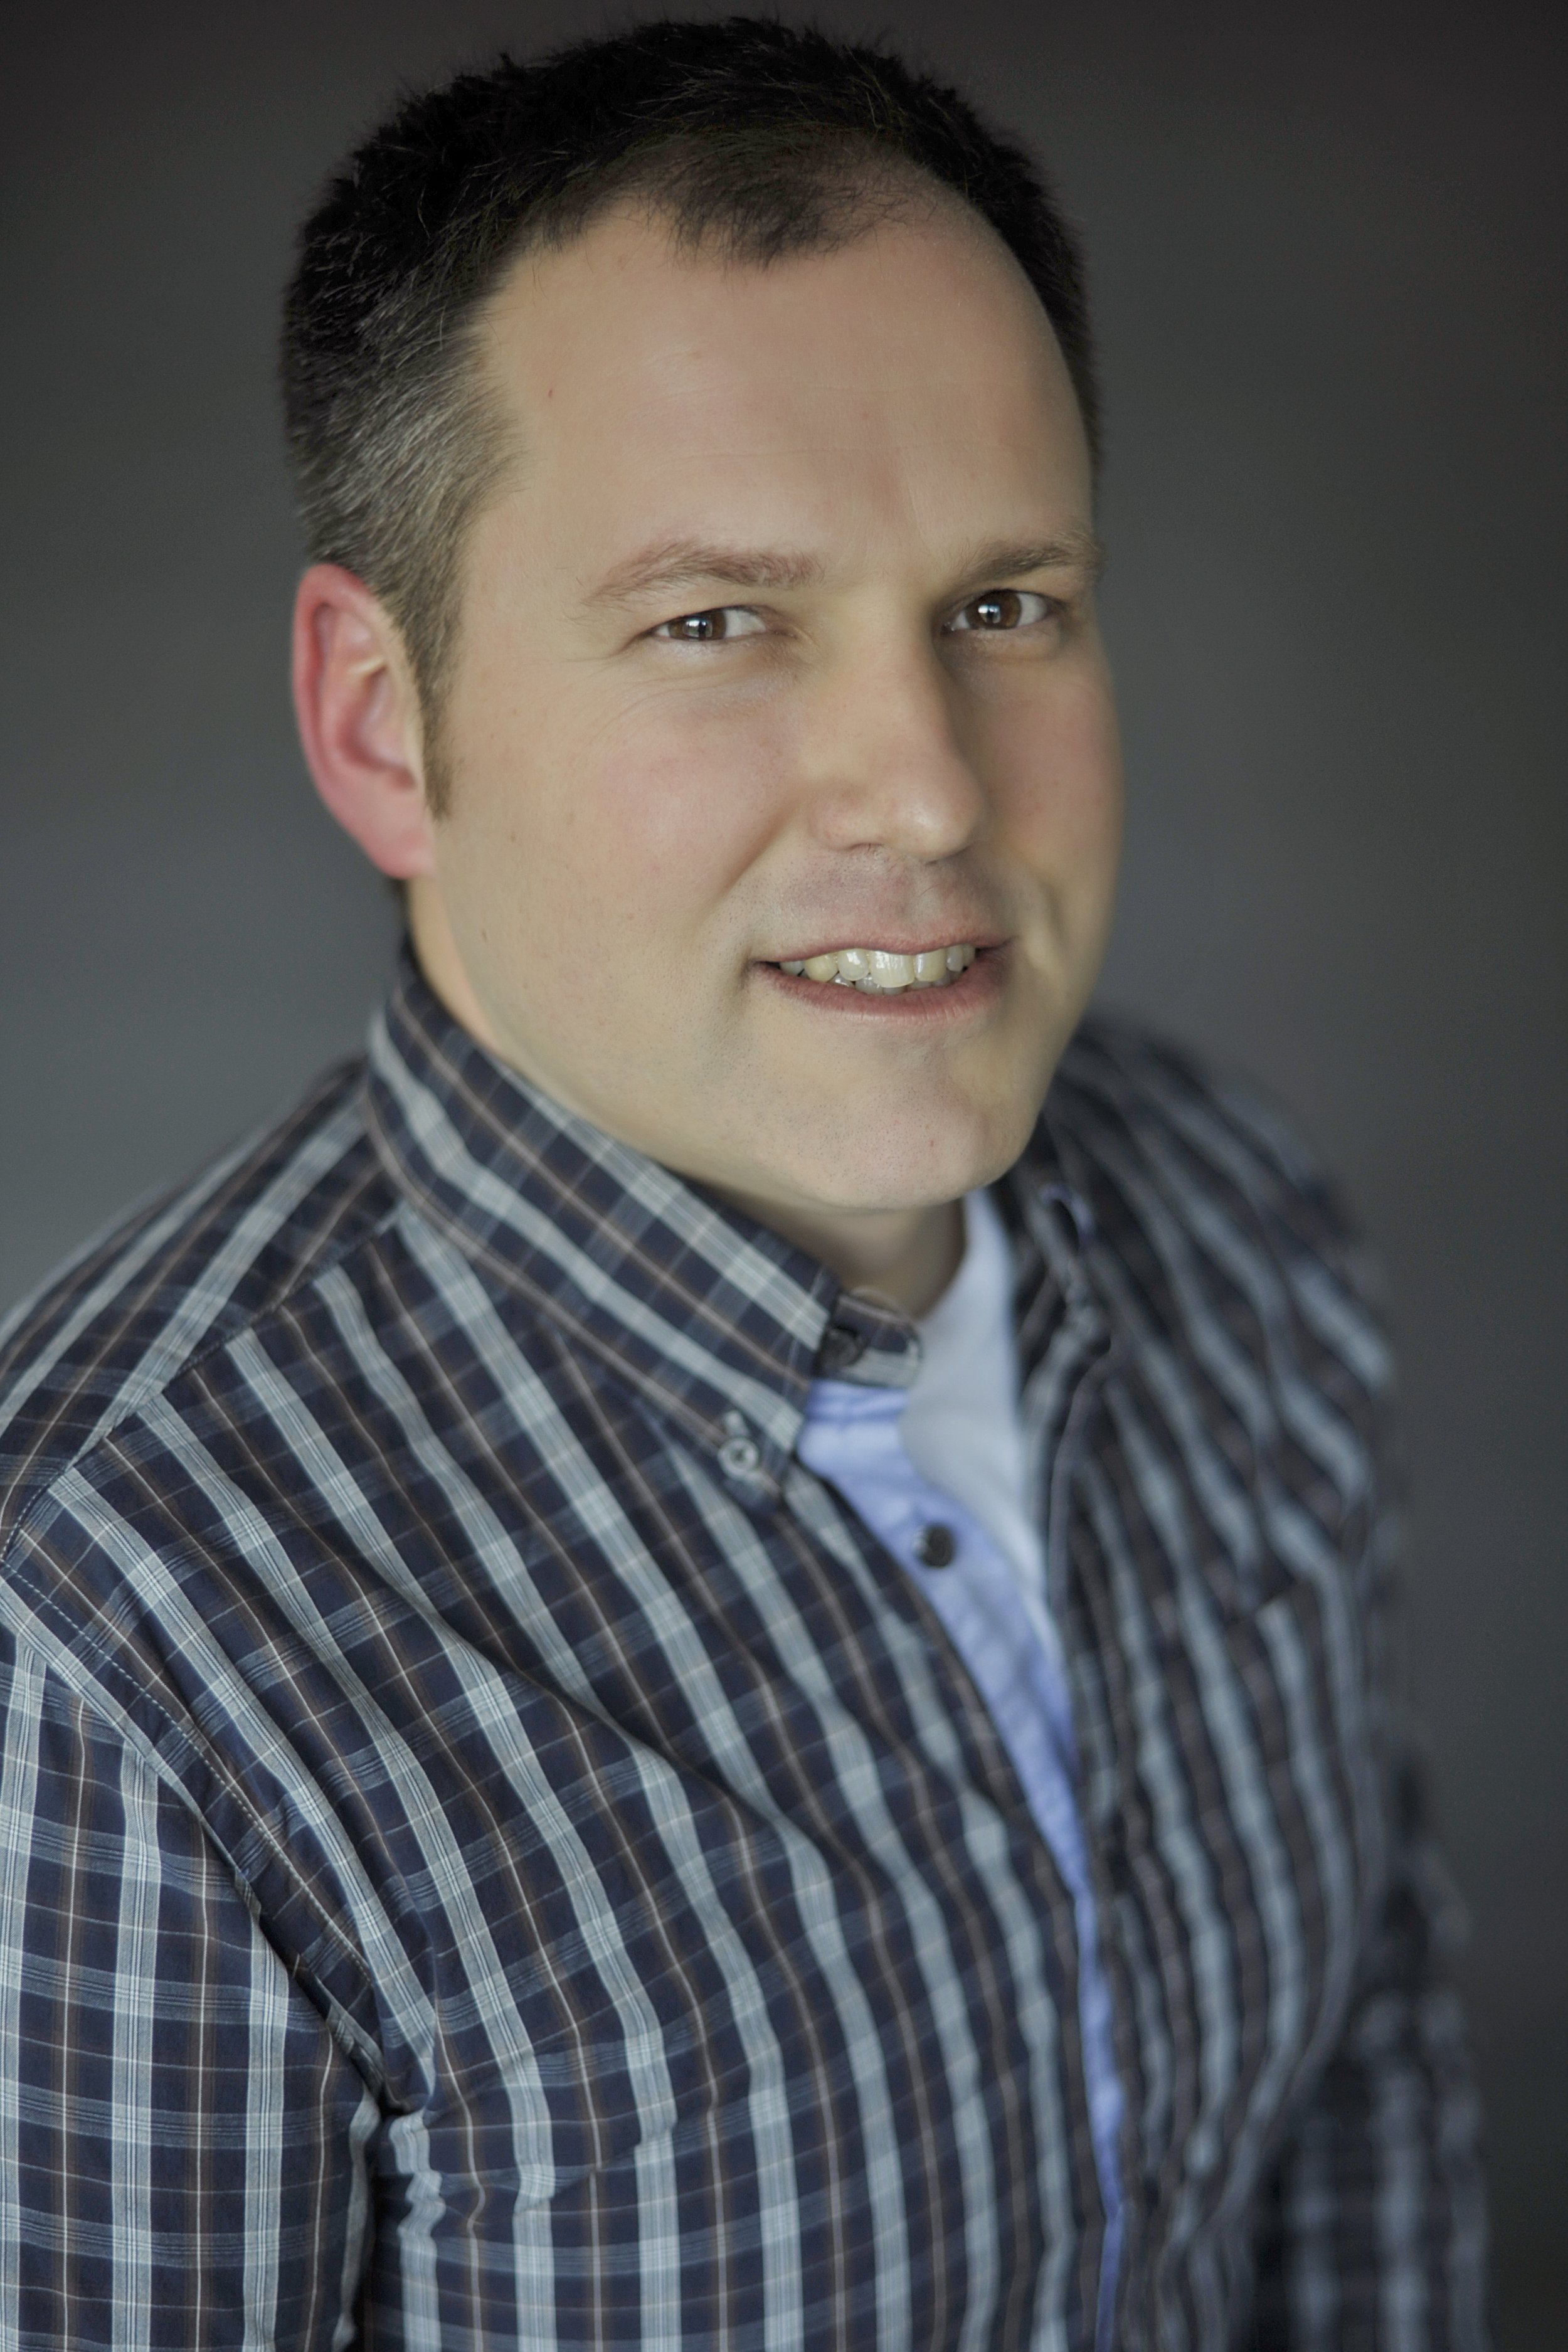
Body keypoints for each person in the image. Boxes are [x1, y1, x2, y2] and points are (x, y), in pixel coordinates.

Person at [0, 18, 1485, 2349]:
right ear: (386, 722)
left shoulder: (1240, 1224)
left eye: (1003, 604)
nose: (927, 789)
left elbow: (1359, 2118)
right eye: (716, 624)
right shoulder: (109, 1623)